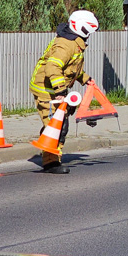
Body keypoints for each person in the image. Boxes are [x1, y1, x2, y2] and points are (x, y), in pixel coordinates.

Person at [28, 10, 99, 174]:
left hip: (54, 88)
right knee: (58, 126)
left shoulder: (74, 42)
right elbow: (52, 67)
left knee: (58, 123)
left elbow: (71, 69)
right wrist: (60, 90)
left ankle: (48, 144)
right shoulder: (66, 44)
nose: (90, 35)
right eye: (89, 31)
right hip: (46, 90)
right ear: (82, 28)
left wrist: (85, 79)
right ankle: (51, 162)